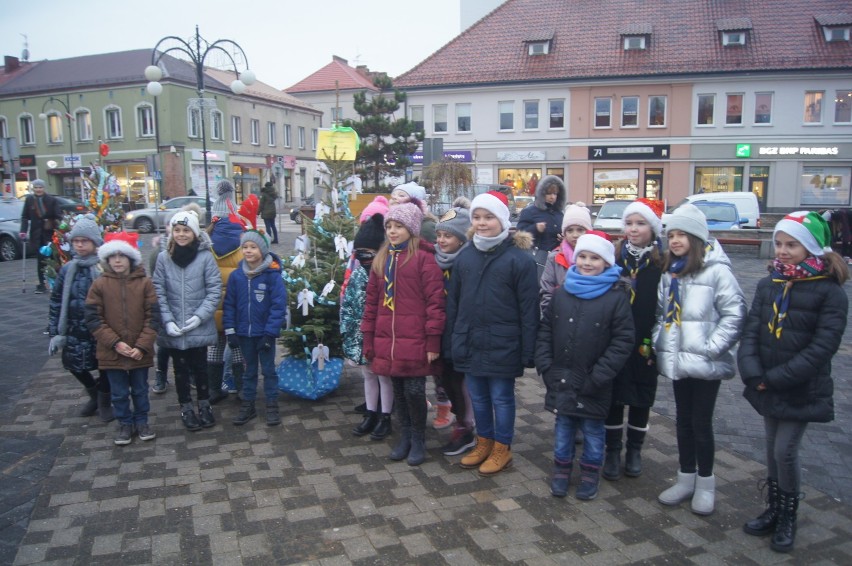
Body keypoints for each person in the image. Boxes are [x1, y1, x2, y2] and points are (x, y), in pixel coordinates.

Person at [738, 211, 849, 553]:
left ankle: (788, 514)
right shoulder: (768, 283)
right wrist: (753, 371)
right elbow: (752, 330)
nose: (783, 251)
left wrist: (776, 378)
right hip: (767, 381)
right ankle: (773, 507)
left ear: (812, 247)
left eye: (792, 245)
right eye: (780, 243)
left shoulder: (829, 292)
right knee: (772, 450)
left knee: (785, 451)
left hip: (800, 387)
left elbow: (822, 347)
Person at [654, 203, 746, 516]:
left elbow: (735, 314)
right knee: (682, 421)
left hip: (706, 363)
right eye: (671, 234)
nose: (675, 240)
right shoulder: (671, 271)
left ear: (696, 237)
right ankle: (685, 477)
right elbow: (661, 312)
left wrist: (711, 347)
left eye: (682, 234)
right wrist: (660, 341)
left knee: (701, 423)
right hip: (679, 360)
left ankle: (706, 483)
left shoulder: (717, 270)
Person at [446, 191, 539, 476]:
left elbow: (529, 309)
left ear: (502, 220)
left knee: (501, 397)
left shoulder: (519, 260)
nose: (482, 223)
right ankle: (483, 443)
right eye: (477, 217)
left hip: (504, 343)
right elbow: (454, 304)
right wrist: (452, 340)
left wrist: (528, 350)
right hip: (471, 341)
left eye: (488, 217)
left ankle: (503, 448)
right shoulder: (465, 257)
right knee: (479, 397)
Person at [536, 231, 634, 499]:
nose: (587, 262)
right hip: (561, 377)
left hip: (594, 381)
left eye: (594, 257)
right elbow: (546, 329)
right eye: (582, 256)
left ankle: (590, 473)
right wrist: (546, 365)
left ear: (606, 262)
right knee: (563, 426)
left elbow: (622, 341)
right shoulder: (562, 293)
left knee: (592, 430)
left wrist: (598, 376)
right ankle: (561, 468)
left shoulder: (615, 298)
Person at [361, 202, 446, 466]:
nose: (393, 231)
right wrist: (368, 337)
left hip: (416, 339)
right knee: (398, 389)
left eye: (398, 226)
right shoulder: (382, 259)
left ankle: (419, 437)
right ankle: (405, 434)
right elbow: (372, 302)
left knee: (414, 390)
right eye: (389, 226)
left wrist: (433, 340)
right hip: (388, 338)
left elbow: (435, 303)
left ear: (411, 229)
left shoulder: (424, 258)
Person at [604, 198, 665, 481]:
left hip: (645, 340)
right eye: (629, 223)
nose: (633, 229)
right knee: (614, 395)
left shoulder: (661, 261)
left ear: (652, 228)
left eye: (640, 223)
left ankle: (635, 450)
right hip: (614, 338)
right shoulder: (615, 255)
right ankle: (613, 450)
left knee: (641, 395)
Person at [85, 232, 158, 445]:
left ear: (131, 258)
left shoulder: (145, 283)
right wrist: (115, 343)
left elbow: (152, 317)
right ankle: (125, 423)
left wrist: (142, 346)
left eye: (122, 256)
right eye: (113, 256)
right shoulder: (99, 285)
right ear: (107, 259)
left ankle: (142, 421)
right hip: (112, 351)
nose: (117, 260)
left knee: (140, 390)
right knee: (118, 393)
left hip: (138, 351)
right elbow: (93, 318)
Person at [153, 210, 222, 432]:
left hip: (196, 325)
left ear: (194, 233)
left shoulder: (205, 257)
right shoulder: (164, 258)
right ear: (172, 232)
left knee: (200, 367)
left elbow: (214, 291)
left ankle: (204, 405)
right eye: (177, 230)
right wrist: (167, 320)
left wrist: (199, 317)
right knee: (180, 369)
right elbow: (159, 291)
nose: (181, 234)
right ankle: (186, 407)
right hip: (173, 325)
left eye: (186, 230)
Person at [47, 216, 113, 422]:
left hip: (99, 329)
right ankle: (93, 393)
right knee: (75, 365)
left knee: (105, 367)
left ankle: (104, 401)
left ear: (95, 243)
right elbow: (57, 299)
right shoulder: (68, 269)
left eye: (85, 241)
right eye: (76, 241)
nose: (80, 245)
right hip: (74, 328)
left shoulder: (103, 268)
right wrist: (55, 329)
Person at [223, 230, 287, 426]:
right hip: (244, 334)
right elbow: (229, 305)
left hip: (264, 334)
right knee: (249, 370)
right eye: (245, 247)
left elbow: (278, 306)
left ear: (263, 249)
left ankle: (272, 405)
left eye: (253, 247)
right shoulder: (236, 277)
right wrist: (230, 330)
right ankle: (248, 405)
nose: (248, 251)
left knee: (268, 370)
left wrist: (270, 334)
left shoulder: (272, 276)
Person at [341, 213, 394, 439]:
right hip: (362, 337)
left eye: (368, 253)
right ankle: (371, 413)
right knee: (369, 376)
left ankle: (385, 416)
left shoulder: (388, 274)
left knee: (383, 376)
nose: (363, 258)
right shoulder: (357, 275)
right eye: (359, 253)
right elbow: (349, 306)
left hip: (382, 335)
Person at [434, 201, 477, 456]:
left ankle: (467, 425)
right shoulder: (436, 260)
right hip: (441, 332)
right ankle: (460, 419)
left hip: (462, 333)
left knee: (462, 382)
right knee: (446, 379)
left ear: (461, 238)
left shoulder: (467, 262)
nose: (441, 240)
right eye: (439, 234)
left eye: (448, 235)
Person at [539, 203, 592, 312]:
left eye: (580, 230)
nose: (575, 235)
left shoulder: (596, 257)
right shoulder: (554, 257)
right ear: (564, 233)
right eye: (570, 230)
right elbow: (547, 291)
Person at [20, 179, 61, 293]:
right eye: (36, 187)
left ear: (44, 188)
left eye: (40, 187)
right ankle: (41, 284)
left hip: (50, 234)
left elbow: (58, 216)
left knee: (53, 258)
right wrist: (23, 231)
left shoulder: (52, 200)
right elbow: (24, 216)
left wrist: (55, 224)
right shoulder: (29, 200)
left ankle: (56, 282)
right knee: (41, 260)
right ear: (33, 188)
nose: (38, 190)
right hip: (37, 235)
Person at [516, 174, 566, 254]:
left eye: (555, 193)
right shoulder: (529, 211)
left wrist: (563, 239)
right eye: (549, 193)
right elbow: (519, 237)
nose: (552, 197)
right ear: (541, 193)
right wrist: (535, 228)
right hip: (537, 259)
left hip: (556, 259)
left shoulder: (559, 214)